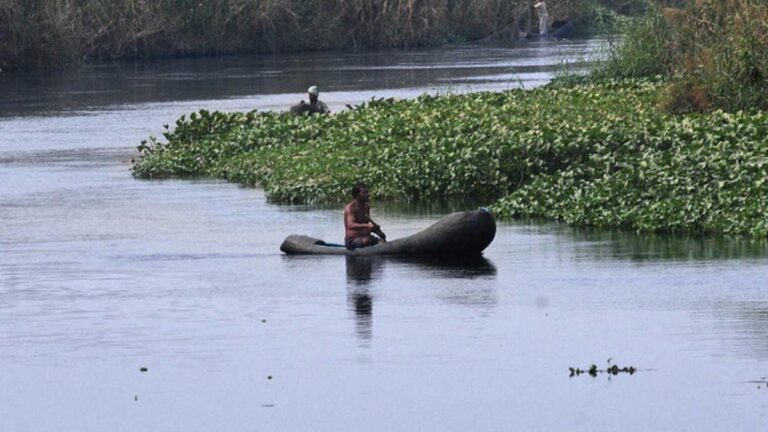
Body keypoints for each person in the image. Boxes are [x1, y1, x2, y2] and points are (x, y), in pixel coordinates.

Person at [344, 183, 386, 250]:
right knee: (367, 241)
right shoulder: (350, 208)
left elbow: (365, 224)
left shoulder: (366, 207)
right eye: (365, 193)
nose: (368, 194)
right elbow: (350, 225)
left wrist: (377, 231)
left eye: (368, 192)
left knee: (380, 240)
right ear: (357, 195)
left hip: (367, 239)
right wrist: (367, 226)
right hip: (352, 241)